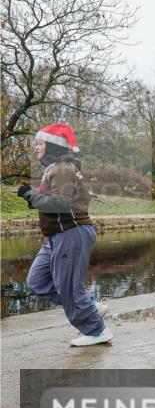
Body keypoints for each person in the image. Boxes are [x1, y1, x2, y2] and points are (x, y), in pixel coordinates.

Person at [17, 123, 112, 347]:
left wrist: (30, 196)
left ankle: (97, 330)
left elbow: (61, 202)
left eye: (39, 143)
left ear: (52, 146)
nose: (36, 148)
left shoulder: (62, 168)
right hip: (56, 237)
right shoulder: (54, 168)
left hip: (71, 232)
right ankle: (88, 305)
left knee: (68, 287)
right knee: (37, 281)